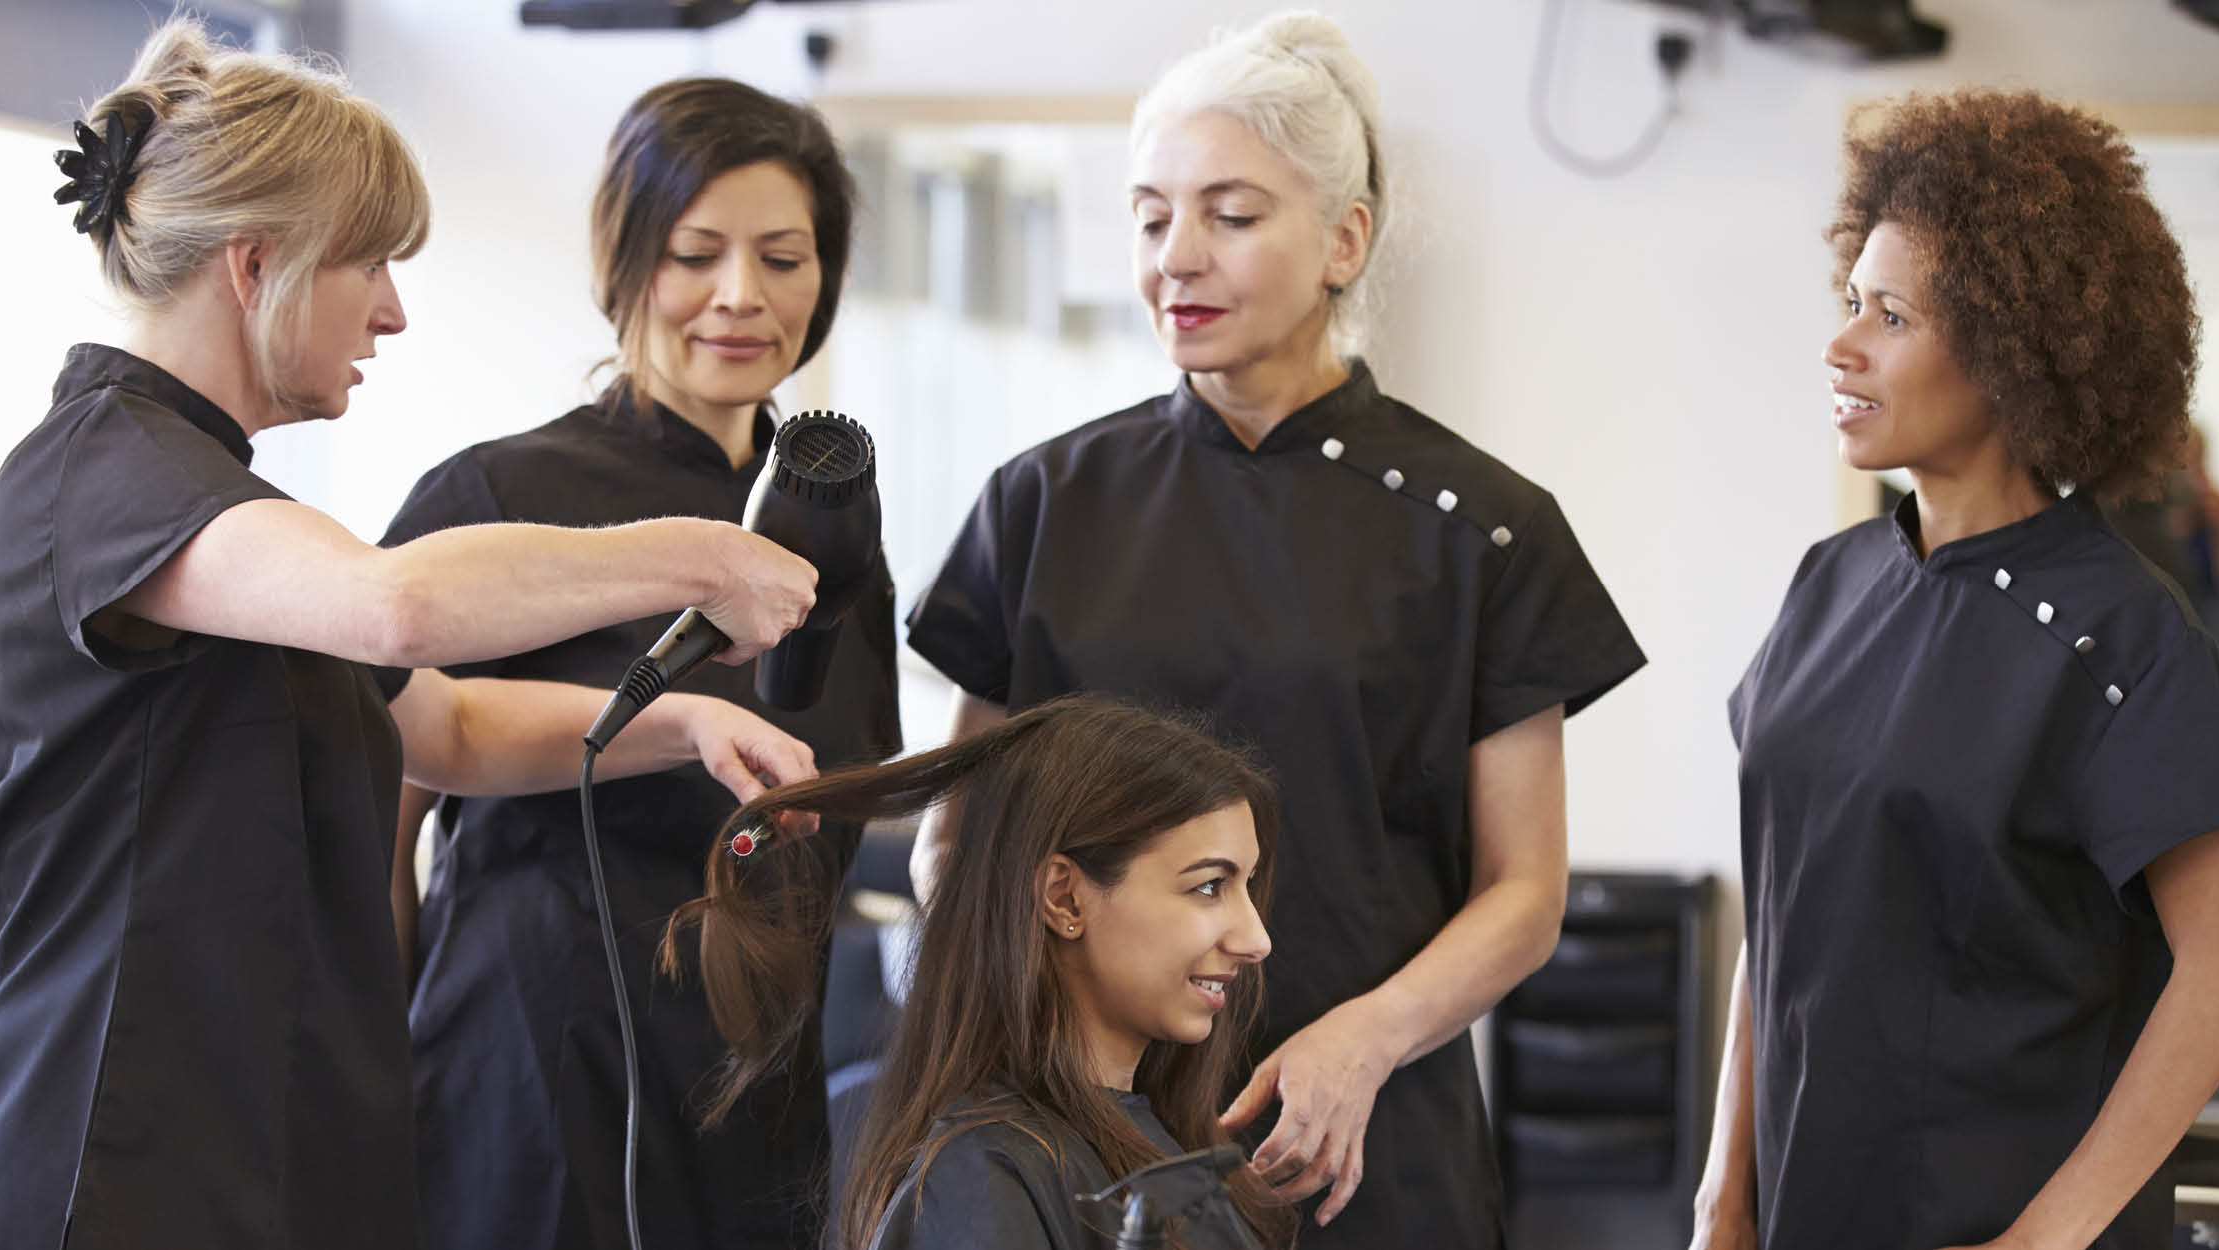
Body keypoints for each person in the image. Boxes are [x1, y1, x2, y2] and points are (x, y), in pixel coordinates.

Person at [0, 24, 820, 1250]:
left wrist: (689, 720)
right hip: (122, 1155)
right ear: (256, 263)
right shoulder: (104, 474)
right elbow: (399, 605)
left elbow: (452, 722)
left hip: (267, 1139)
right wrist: (702, 554)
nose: (393, 313)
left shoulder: (232, 517)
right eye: (367, 264)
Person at [902, 12, 1643, 1244]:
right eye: (1149, 218)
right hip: (1082, 1141)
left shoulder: (1483, 526)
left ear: (1343, 239)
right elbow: (959, 841)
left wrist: (1365, 1038)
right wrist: (1017, 1047)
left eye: (1230, 216)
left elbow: (1523, 893)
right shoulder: (1046, 502)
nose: (1175, 258)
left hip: (1367, 1133)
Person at [1694, 90, 2219, 1250]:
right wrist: (1724, 1191)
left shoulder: (2122, 638)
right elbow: (1782, 899)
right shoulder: (1830, 580)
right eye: (1850, 301)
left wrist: (2043, 1237)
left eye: (1892, 316)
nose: (1841, 343)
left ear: (2014, 351)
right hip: (1805, 1207)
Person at [382, 77, 899, 1250]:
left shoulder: (840, 538)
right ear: (625, 258)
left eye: (783, 257)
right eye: (695, 252)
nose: (741, 297)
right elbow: (381, 796)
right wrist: (369, 1047)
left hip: (755, 1097)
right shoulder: (496, 500)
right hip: (526, 1074)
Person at [667, 694, 1294, 1250]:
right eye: (1209, 886)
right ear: (1064, 899)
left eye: (1246, 886)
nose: (1257, 940)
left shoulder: (1168, 1137)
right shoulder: (980, 1179)